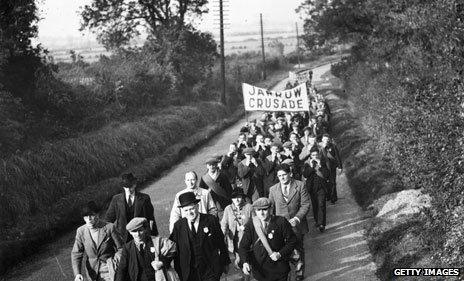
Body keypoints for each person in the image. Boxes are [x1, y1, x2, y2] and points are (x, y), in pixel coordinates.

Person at [169, 192, 231, 281]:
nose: (189, 212)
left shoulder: (210, 220)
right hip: (189, 272)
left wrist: (225, 262)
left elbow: (221, 242)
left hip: (210, 269)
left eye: (192, 209)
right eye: (186, 210)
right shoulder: (178, 226)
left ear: (197, 206)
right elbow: (173, 248)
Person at [268, 164, 310, 281]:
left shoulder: (300, 185)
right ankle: (285, 274)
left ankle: (299, 273)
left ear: (290, 174)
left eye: (284, 175)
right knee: (282, 250)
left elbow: (305, 204)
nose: (282, 178)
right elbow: (270, 208)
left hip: (297, 226)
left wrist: (297, 218)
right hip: (280, 227)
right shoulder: (273, 189)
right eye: (279, 176)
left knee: (298, 249)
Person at [238, 197, 297, 281]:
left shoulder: (281, 221)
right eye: (258, 210)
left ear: (271, 209)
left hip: (279, 268)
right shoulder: (252, 224)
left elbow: (292, 241)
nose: (261, 213)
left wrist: (280, 254)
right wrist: (245, 262)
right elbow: (243, 246)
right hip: (261, 271)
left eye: (264, 210)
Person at [72, 201, 123, 281]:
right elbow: (76, 254)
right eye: (86, 217)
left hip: (111, 270)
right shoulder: (81, 231)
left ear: (98, 214)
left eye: (91, 215)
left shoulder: (109, 227)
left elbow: (122, 248)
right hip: (92, 273)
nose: (89, 219)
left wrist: (115, 261)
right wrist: (78, 274)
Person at [106, 173, 158, 242]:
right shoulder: (116, 199)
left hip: (141, 235)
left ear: (135, 185)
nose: (128, 190)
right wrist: (107, 234)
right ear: (123, 187)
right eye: (126, 187)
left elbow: (151, 218)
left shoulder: (145, 198)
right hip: (123, 237)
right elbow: (109, 219)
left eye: (130, 186)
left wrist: (154, 234)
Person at [220, 188, 253, 278]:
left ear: (242, 197)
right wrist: (221, 238)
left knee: (247, 261)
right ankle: (244, 275)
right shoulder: (228, 209)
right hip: (234, 240)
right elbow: (224, 224)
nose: (237, 200)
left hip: (247, 239)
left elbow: (255, 222)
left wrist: (245, 226)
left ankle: (247, 276)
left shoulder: (249, 207)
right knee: (240, 262)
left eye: (239, 197)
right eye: (234, 198)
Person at [302, 147, 330, 232]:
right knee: (315, 205)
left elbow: (327, 175)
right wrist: (311, 166)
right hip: (312, 188)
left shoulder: (323, 162)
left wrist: (320, 165)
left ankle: (322, 224)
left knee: (321, 204)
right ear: (310, 155)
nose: (315, 156)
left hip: (321, 187)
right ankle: (317, 220)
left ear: (319, 154)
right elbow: (305, 175)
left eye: (316, 155)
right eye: (313, 155)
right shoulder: (307, 164)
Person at [320, 134, 343, 204]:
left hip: (332, 167)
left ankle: (333, 198)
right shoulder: (319, 147)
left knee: (332, 182)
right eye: (324, 139)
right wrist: (323, 149)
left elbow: (337, 156)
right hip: (323, 168)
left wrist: (340, 167)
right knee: (325, 183)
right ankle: (328, 196)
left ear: (329, 140)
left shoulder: (333, 146)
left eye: (327, 140)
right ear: (322, 140)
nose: (326, 141)